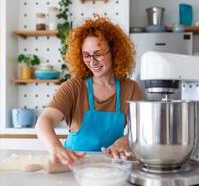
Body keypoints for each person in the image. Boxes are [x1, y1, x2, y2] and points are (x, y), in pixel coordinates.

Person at [35, 16, 142, 167]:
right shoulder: (74, 87)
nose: (92, 62)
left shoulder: (131, 89)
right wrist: (56, 148)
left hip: (112, 168)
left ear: (115, 52)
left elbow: (140, 131)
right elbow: (43, 121)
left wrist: (126, 140)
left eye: (98, 54)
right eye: (86, 55)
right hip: (74, 167)